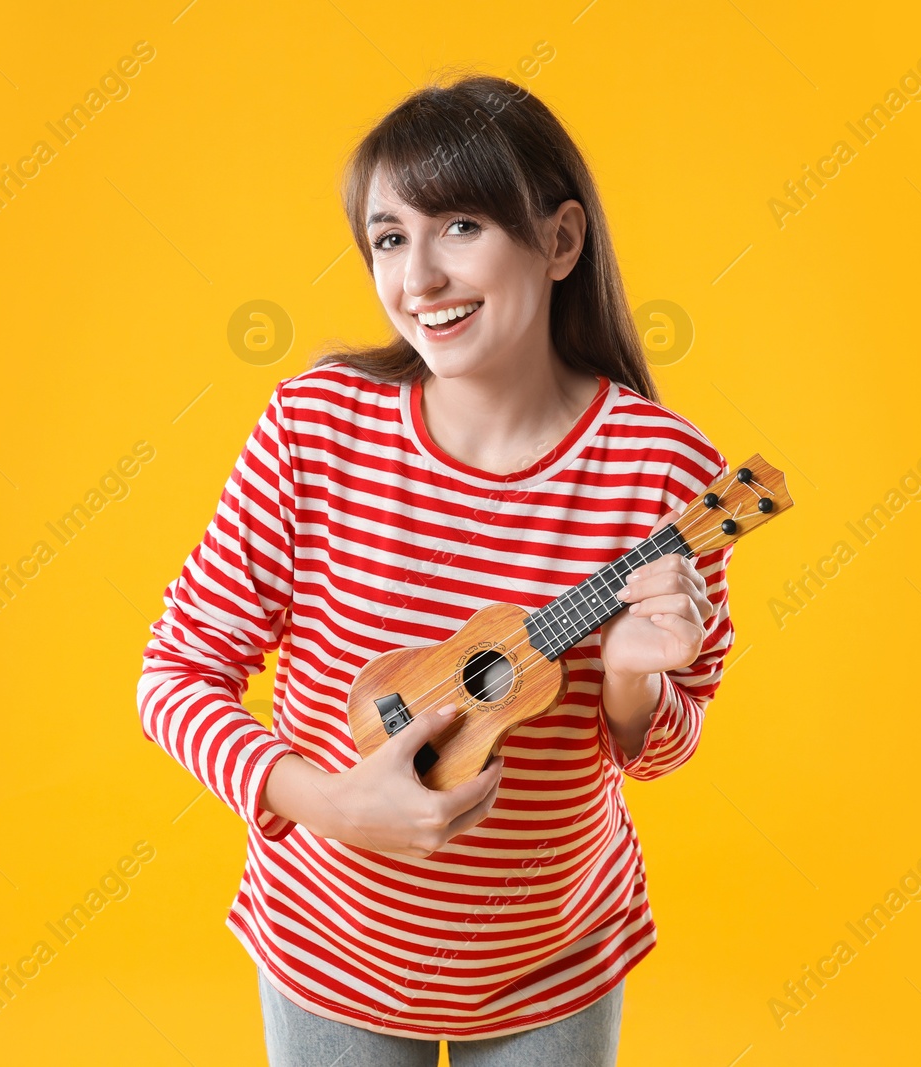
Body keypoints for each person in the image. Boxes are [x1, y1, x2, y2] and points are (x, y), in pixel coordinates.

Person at [136, 71, 736, 1067]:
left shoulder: (662, 470)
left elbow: (661, 747)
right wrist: (328, 804)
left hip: (554, 958)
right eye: (387, 237)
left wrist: (636, 679)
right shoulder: (314, 428)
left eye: (458, 224)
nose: (416, 278)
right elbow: (174, 674)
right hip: (328, 951)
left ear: (558, 241)